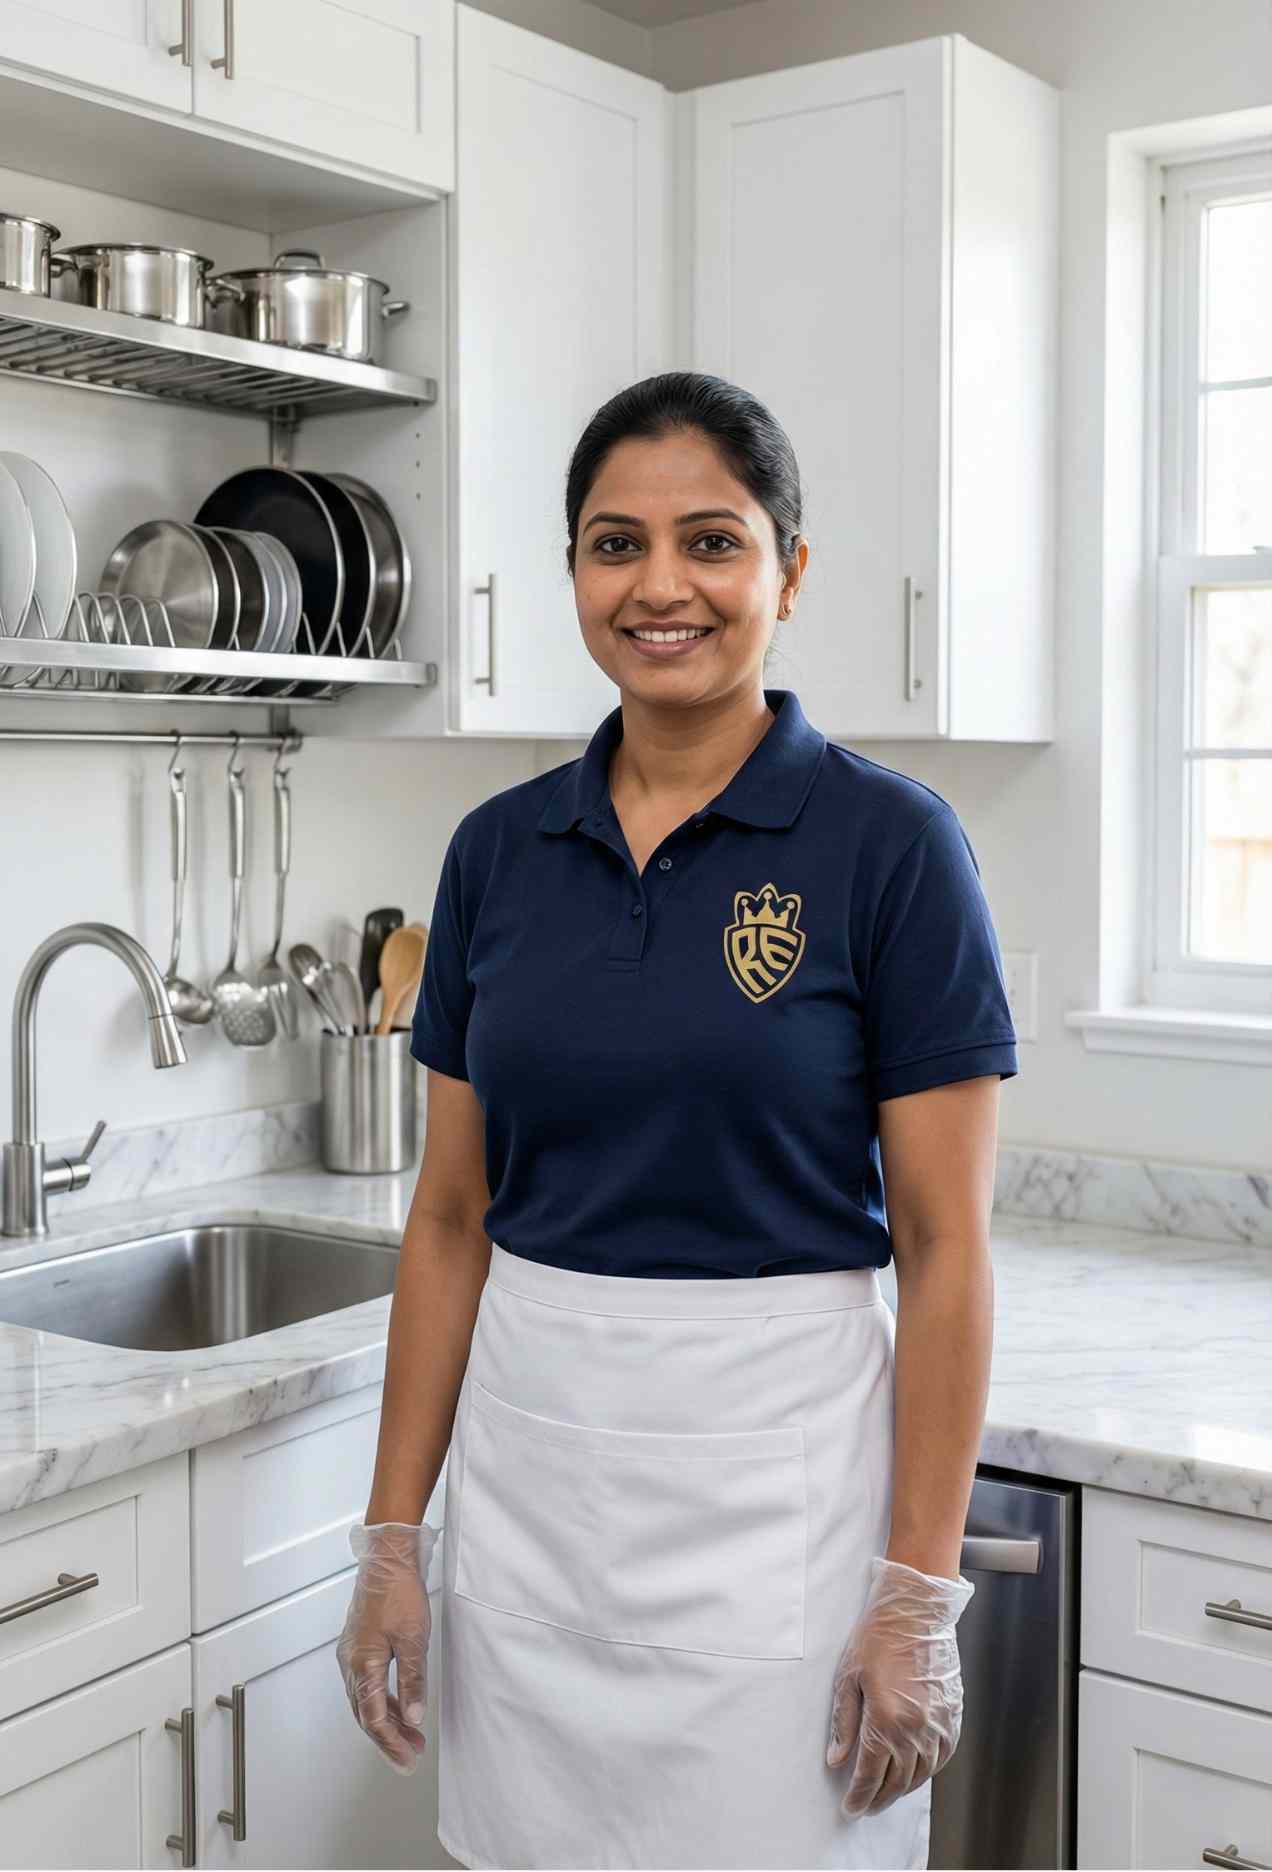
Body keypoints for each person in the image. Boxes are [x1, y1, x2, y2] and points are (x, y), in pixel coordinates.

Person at [335, 371, 1017, 1871]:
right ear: (571, 570)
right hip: (535, 1499)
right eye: (611, 544)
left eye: (713, 541)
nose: (660, 588)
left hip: (777, 1508)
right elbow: (450, 1220)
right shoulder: (498, 853)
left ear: (790, 568)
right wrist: (392, 1541)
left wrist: (916, 1592)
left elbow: (945, 1251)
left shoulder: (889, 845)